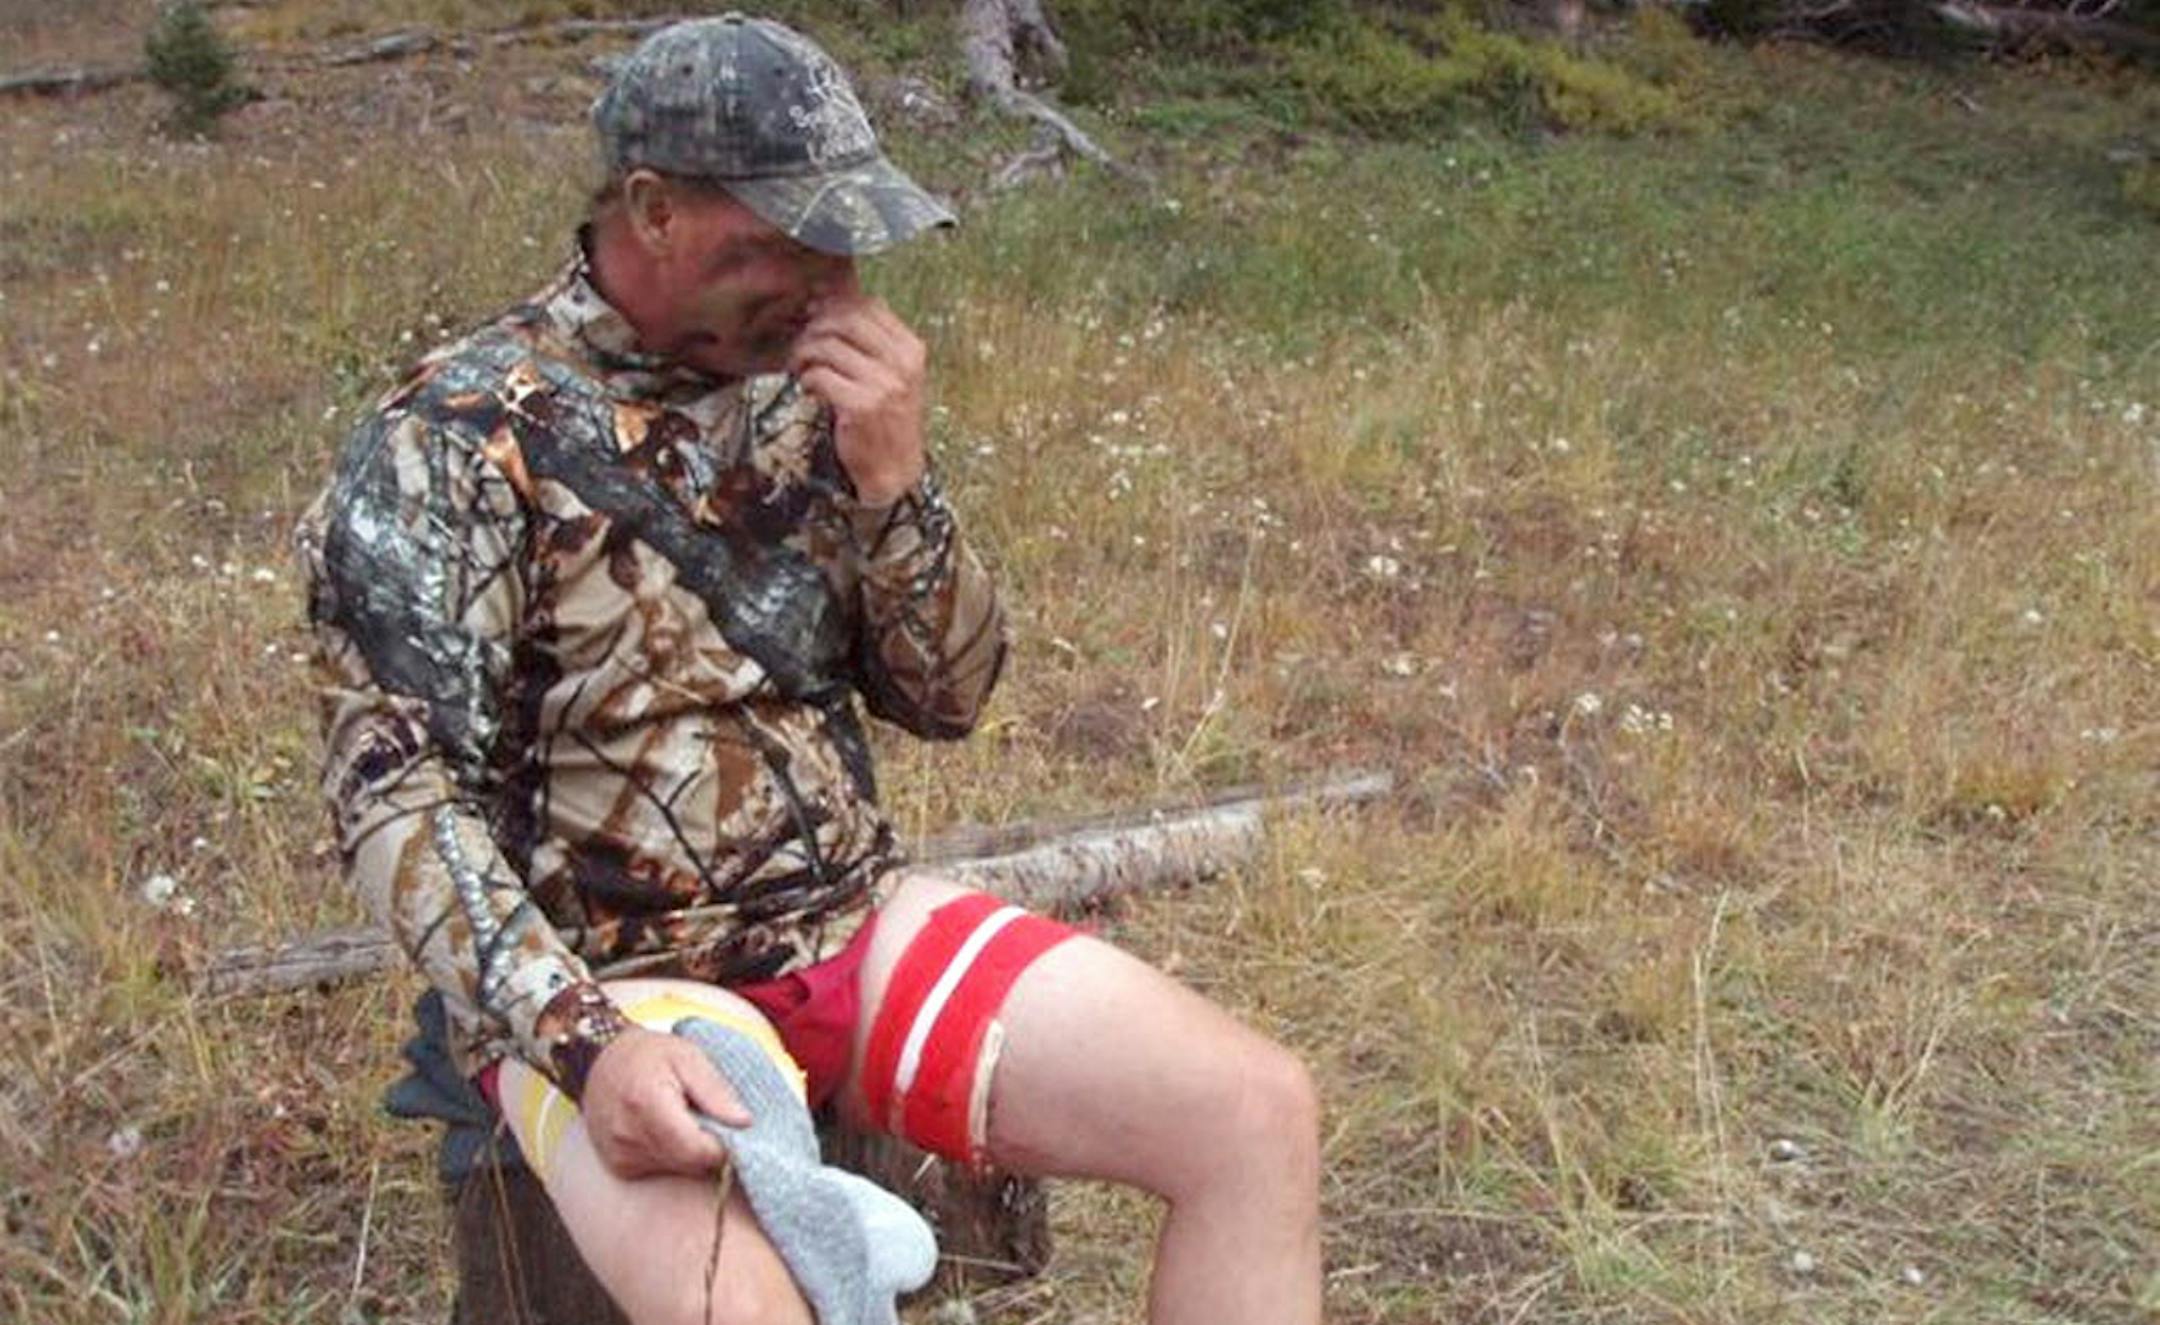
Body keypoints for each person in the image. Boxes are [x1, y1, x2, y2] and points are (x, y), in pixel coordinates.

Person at [297, 14, 1321, 1325]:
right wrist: (583, 1042)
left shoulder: (811, 388)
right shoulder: (451, 435)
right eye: (787, 240)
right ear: (653, 211)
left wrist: (897, 487)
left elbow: (949, 698)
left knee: (1252, 1113)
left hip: (846, 923)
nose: (831, 281)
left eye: (849, 239)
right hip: (607, 976)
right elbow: (397, 800)